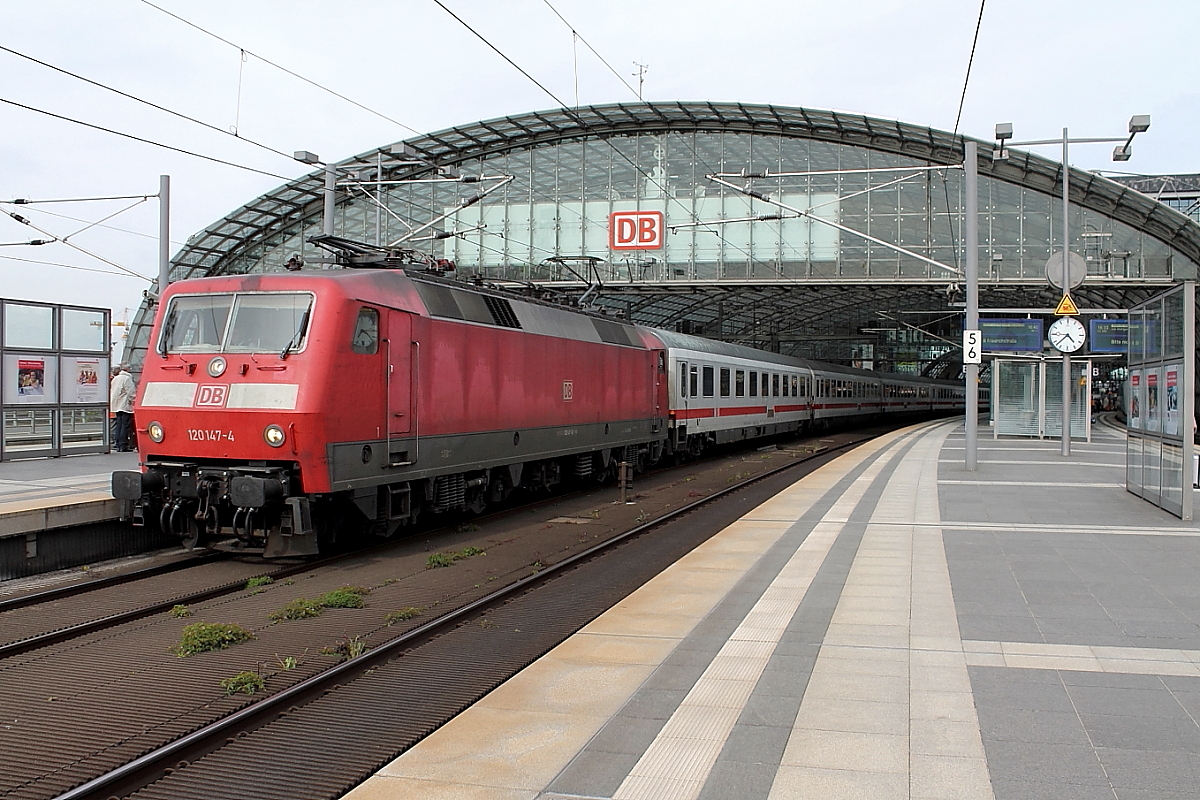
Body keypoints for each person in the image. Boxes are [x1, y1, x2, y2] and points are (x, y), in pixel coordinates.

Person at [109, 365, 136, 452]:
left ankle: (117, 443)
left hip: (116, 405)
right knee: (125, 425)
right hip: (124, 405)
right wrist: (134, 401)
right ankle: (123, 444)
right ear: (127, 369)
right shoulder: (127, 379)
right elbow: (131, 393)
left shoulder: (115, 379)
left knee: (119, 425)